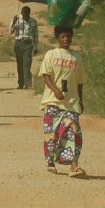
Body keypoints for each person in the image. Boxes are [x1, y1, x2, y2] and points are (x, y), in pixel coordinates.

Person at [39, 25, 87, 178]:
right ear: (57, 39)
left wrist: (80, 100)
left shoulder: (76, 57)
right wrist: (56, 90)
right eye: (63, 37)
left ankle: (74, 165)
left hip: (71, 103)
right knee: (52, 135)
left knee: (73, 131)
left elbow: (79, 82)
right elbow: (46, 75)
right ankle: (50, 163)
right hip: (53, 102)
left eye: (68, 36)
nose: (66, 39)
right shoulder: (51, 55)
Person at [10, 6, 39, 89]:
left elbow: (36, 35)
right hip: (19, 43)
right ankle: (20, 83)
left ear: (29, 13)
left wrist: (36, 47)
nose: (26, 15)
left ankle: (27, 83)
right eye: (24, 13)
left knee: (27, 63)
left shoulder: (33, 21)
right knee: (20, 64)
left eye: (27, 13)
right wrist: (14, 22)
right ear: (22, 13)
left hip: (28, 44)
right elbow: (11, 32)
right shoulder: (17, 19)